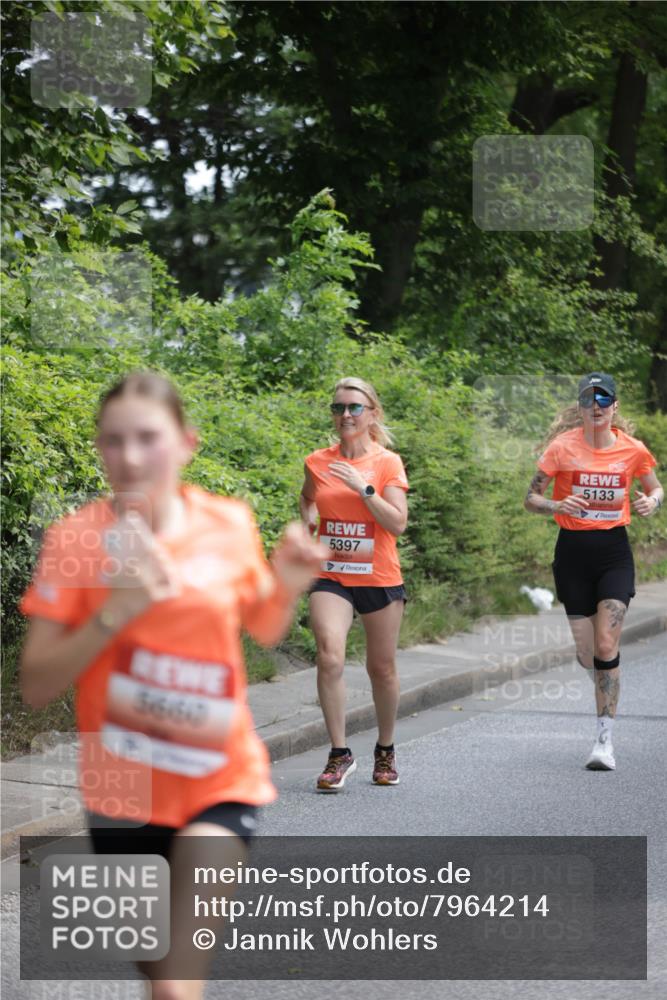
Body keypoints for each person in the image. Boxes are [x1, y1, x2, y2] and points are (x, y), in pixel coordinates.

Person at [19, 372, 326, 1000]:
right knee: (155, 968)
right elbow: (35, 684)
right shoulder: (76, 540)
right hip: (122, 783)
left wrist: (290, 582)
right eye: (113, 441)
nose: (130, 457)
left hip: (220, 773)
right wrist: (116, 609)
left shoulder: (228, 523)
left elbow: (263, 627)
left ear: (186, 442)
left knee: (176, 985)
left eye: (148, 438)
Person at [524, 372, 663, 771]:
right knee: (588, 654)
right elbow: (531, 499)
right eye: (589, 399)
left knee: (605, 645)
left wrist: (652, 502)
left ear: (615, 407)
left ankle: (604, 740)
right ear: (581, 408)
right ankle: (606, 677)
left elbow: (656, 488)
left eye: (604, 399)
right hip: (572, 554)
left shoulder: (634, 450)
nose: (597, 405)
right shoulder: (561, 448)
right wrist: (558, 505)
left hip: (613, 553)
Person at [300, 377, 409, 791]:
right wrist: (308, 516)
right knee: (329, 656)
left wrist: (363, 489)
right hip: (332, 575)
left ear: (372, 414)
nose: (345, 414)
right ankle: (339, 753)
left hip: (378, 576)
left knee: (381, 668)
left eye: (354, 408)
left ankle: (385, 749)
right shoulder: (316, 461)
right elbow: (308, 496)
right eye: (338, 407)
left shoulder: (387, 463)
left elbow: (397, 523)